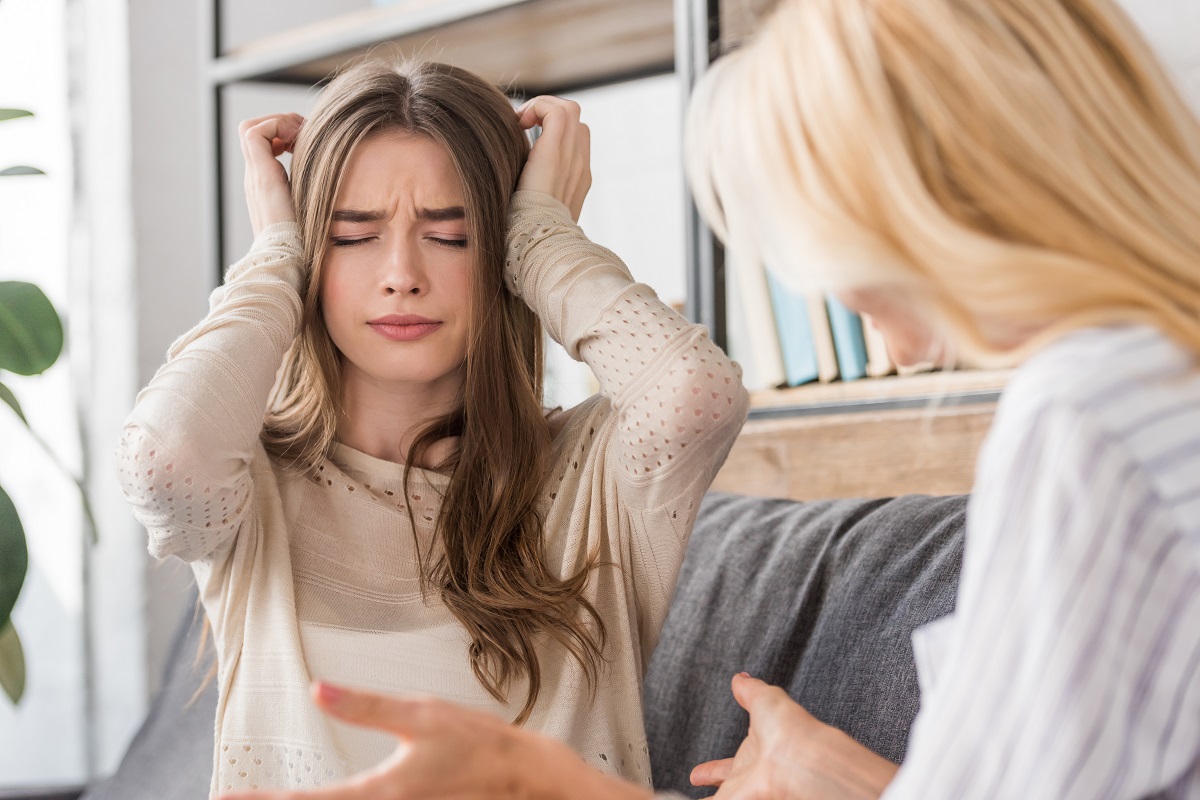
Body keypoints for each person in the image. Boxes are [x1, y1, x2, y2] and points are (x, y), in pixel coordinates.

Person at [220, 0, 1200, 798]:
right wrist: (853, 781)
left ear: (950, 208)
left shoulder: (1086, 423)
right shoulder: (1156, 396)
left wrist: (546, 785)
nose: (898, 350)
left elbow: (693, 395)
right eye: (348, 234)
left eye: (869, 280)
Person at [116, 56, 748, 797]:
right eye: (353, 236)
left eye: (452, 235)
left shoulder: (593, 480)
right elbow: (162, 459)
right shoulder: (250, 485)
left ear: (504, 256)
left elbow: (698, 397)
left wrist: (545, 237)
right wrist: (273, 262)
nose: (401, 274)